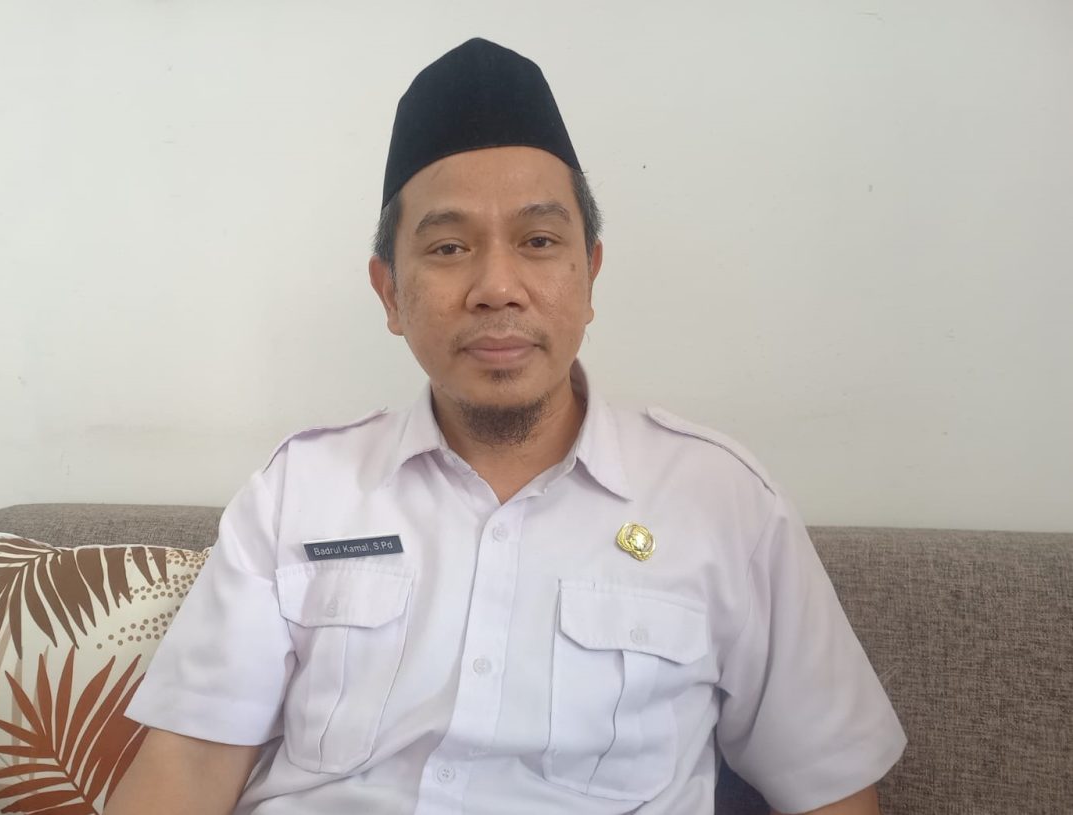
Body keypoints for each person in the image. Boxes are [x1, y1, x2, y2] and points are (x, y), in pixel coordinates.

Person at [108, 38, 906, 815]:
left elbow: (830, 788)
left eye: (539, 241)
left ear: (589, 274)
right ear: (389, 292)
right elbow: (188, 763)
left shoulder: (723, 502)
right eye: (450, 246)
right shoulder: (300, 489)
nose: (497, 286)